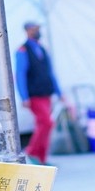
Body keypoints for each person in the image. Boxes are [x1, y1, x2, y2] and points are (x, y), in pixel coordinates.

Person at [15, 20, 61, 165]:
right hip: (34, 95)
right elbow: (20, 74)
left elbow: (50, 72)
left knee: (45, 124)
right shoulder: (23, 50)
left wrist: (59, 92)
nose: (37, 31)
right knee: (46, 122)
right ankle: (32, 152)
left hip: (45, 93)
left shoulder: (42, 49)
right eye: (35, 29)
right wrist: (24, 97)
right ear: (28, 30)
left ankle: (41, 158)